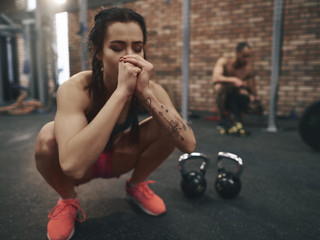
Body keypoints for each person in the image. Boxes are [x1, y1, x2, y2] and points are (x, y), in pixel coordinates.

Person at [34, 7, 196, 240]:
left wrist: (144, 95)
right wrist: (121, 93)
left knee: (166, 124)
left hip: (120, 158)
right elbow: (73, 165)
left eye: (137, 48)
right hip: (83, 164)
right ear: (97, 52)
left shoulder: (151, 88)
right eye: (117, 48)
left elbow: (188, 144)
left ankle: (136, 186)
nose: (130, 57)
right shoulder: (76, 88)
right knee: (47, 135)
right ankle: (68, 200)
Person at [212, 42, 260, 136]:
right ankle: (223, 118)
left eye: (248, 57)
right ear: (237, 53)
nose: (247, 59)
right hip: (224, 93)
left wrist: (253, 96)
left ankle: (236, 120)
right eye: (244, 56)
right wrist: (233, 80)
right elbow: (215, 78)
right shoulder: (224, 61)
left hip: (237, 94)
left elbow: (252, 89)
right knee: (219, 87)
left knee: (255, 106)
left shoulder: (248, 68)